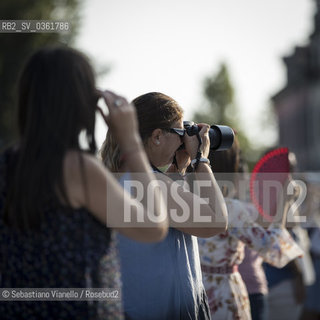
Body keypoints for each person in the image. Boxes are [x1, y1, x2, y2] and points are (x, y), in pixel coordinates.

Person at [0, 47, 168, 319]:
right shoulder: (80, 170)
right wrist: (132, 143)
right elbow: (154, 227)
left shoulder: (6, 165)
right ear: (82, 104)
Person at [101, 91, 228, 320]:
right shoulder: (153, 186)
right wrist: (201, 159)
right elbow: (217, 220)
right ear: (157, 136)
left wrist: (177, 170)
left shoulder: (117, 180)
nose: (184, 141)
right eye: (181, 133)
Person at [198, 137, 304, 320]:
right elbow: (272, 248)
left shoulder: (186, 201)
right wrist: (284, 202)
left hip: (195, 293)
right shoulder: (231, 208)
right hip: (225, 296)